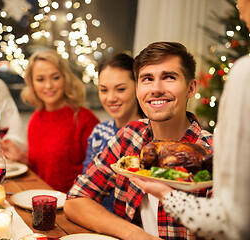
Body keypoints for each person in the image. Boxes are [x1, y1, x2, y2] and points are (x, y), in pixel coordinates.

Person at [132, 1, 250, 239]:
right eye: (147, 79)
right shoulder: (132, 135)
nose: (237, 5)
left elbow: (241, 226)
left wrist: (167, 194)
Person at [64, 42, 213, 240]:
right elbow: (75, 200)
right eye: (147, 79)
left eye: (169, 77)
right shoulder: (130, 136)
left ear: (191, 87)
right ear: (137, 89)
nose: (156, 89)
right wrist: (133, 233)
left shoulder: (212, 153)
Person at [0, 49, 99, 193]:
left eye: (55, 77)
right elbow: (45, 170)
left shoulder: (85, 120)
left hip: (71, 205)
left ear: (65, 79)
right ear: (32, 84)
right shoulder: (36, 119)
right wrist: (22, 158)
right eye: (40, 79)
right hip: (40, 198)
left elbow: (95, 176)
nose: (48, 86)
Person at [82, 53, 145, 212]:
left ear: (137, 88)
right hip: (97, 221)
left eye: (120, 89)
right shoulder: (99, 132)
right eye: (104, 90)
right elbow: (86, 184)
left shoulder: (150, 134)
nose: (110, 98)